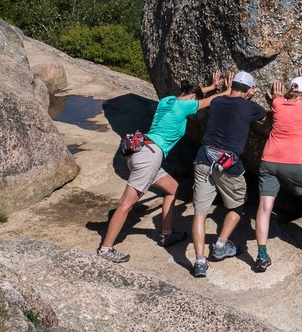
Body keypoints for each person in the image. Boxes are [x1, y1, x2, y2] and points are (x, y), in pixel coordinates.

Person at [97, 70, 227, 263]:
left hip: (139, 150)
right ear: (191, 98)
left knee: (172, 188)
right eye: (193, 98)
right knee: (127, 204)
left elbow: (192, 92)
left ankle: (167, 235)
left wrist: (212, 86)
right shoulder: (185, 106)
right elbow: (208, 101)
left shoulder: (166, 100)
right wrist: (227, 90)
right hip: (150, 156)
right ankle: (106, 249)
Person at [191, 70, 268, 277]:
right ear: (250, 90)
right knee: (237, 205)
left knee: (200, 212)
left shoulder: (217, 102)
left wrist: (224, 90)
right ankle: (220, 245)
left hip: (203, 157)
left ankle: (199, 261)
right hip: (227, 164)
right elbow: (267, 121)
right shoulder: (250, 107)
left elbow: (214, 100)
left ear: (230, 84)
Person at [253, 68, 302, 272]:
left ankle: (262, 255)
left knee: (264, 208)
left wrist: (297, 84)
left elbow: (280, 99)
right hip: (294, 163)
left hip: (269, 160)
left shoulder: (277, 104)